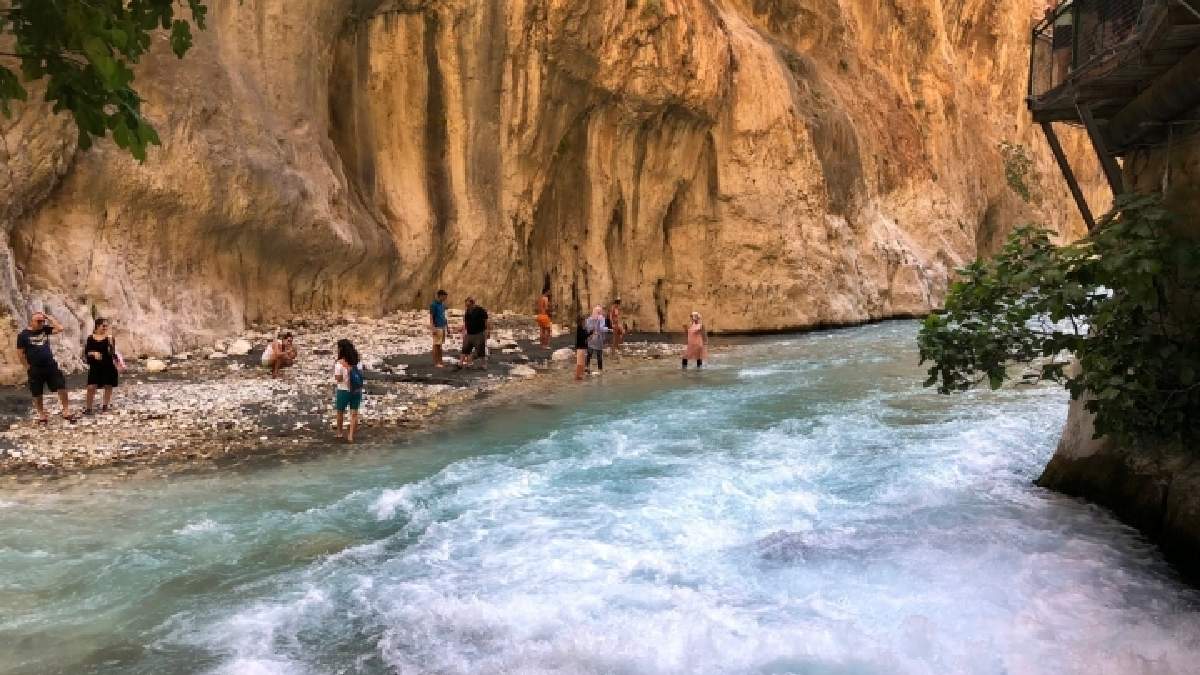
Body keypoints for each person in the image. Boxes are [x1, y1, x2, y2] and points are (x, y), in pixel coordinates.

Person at [16, 311, 75, 423]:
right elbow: (20, 353)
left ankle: (66, 410)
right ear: (31, 322)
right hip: (35, 368)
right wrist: (27, 366)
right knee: (37, 392)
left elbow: (60, 328)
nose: (41, 323)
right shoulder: (23, 335)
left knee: (61, 386)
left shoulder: (44, 329)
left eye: (42, 321)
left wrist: (49, 317)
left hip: (50, 365)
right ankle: (41, 414)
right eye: (38, 321)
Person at [83, 318, 121, 414]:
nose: (105, 328)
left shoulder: (109, 338)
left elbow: (112, 353)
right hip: (95, 366)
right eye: (103, 326)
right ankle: (88, 408)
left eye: (106, 326)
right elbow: (87, 352)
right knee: (91, 386)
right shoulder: (90, 338)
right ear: (97, 326)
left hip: (108, 365)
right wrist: (94, 353)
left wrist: (111, 343)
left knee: (108, 385)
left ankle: (105, 405)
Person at [334, 338, 364, 442]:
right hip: (356, 390)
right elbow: (360, 374)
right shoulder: (358, 361)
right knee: (354, 413)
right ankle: (350, 436)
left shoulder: (339, 363)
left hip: (343, 390)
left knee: (340, 412)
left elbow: (338, 379)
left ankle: (339, 433)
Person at [461, 297, 490, 368]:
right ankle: (460, 363)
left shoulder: (480, 310)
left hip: (479, 333)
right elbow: (465, 322)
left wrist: (488, 331)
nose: (467, 307)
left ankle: (484, 364)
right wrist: (464, 331)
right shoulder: (467, 311)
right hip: (469, 333)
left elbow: (486, 320)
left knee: (481, 350)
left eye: (468, 305)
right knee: (465, 349)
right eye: (466, 305)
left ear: (472, 304)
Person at [584, 305, 610, 372]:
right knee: (598, 355)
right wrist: (607, 329)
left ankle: (587, 366)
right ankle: (599, 369)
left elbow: (587, 328)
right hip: (597, 338)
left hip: (592, 338)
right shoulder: (601, 318)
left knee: (589, 353)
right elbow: (601, 328)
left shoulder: (589, 319)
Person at [430, 289, 449, 367]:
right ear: (440, 296)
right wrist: (433, 327)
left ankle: (440, 361)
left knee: (440, 345)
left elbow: (444, 316)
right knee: (436, 345)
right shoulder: (434, 305)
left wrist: (447, 327)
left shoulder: (442, 305)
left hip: (442, 326)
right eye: (444, 297)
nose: (445, 298)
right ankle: (436, 362)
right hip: (437, 327)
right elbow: (431, 316)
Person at [574, 313, 590, 381]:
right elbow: (583, 336)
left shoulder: (582, 328)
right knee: (580, 363)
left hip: (582, 347)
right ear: (581, 321)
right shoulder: (579, 329)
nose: (585, 322)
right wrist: (590, 333)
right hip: (580, 348)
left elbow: (585, 336)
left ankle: (580, 376)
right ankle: (577, 377)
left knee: (582, 363)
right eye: (584, 321)